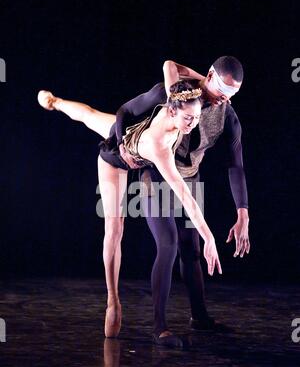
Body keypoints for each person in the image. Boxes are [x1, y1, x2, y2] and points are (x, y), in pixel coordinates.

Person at [37, 80, 222, 347]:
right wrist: (209, 237)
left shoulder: (177, 103)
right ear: (172, 111)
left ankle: (55, 101)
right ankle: (113, 300)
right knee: (115, 228)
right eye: (188, 118)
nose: (192, 124)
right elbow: (185, 196)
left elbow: (171, 66)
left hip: (135, 140)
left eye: (196, 117)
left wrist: (206, 82)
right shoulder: (160, 145)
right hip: (116, 159)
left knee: (90, 115)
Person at [114, 56, 250, 342]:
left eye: (231, 96)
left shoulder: (226, 113)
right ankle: (159, 327)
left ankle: (199, 318)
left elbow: (235, 164)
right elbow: (125, 110)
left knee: (192, 250)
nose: (223, 99)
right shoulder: (174, 93)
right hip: (157, 175)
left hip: (188, 178)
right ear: (209, 75)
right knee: (169, 243)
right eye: (221, 91)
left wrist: (243, 213)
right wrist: (122, 145)